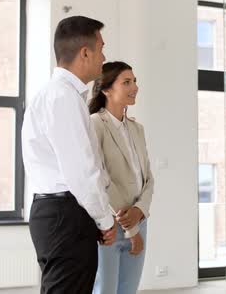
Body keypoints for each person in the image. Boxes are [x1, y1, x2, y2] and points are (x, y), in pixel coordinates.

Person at [22, 16, 118, 293]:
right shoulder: (63, 97)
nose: (104, 56)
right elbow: (81, 172)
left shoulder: (53, 95)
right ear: (85, 53)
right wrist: (104, 220)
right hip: (67, 215)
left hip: (56, 213)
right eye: (101, 48)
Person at [89, 61, 155, 294]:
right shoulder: (95, 124)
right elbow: (100, 176)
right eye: (126, 82)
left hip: (139, 219)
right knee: (104, 290)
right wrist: (131, 226)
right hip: (108, 225)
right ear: (106, 89)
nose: (134, 86)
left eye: (135, 81)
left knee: (128, 290)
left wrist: (140, 211)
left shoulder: (137, 129)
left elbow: (148, 178)